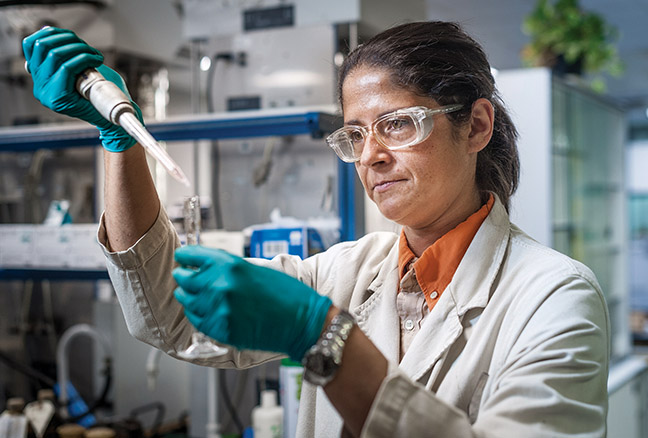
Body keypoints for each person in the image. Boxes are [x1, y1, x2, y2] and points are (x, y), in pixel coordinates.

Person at [23, 21, 609, 437]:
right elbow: (169, 317)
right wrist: (118, 139)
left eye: (398, 124)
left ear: (476, 125)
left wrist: (325, 337)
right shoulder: (346, 269)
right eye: (355, 134)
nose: (369, 156)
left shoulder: (555, 297)